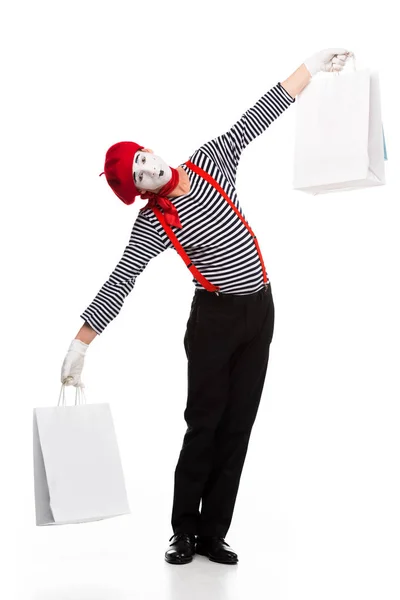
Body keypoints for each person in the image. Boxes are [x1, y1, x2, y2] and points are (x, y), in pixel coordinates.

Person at [61, 48, 353, 565]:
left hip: (260, 311)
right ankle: (183, 532)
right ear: (140, 192)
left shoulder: (210, 161)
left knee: (239, 425)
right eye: (139, 178)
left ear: (148, 149)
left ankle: (215, 532)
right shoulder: (154, 223)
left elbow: (262, 112)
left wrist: (312, 64)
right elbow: (121, 280)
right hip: (214, 321)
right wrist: (80, 343)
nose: (148, 171)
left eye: (142, 160)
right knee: (204, 426)